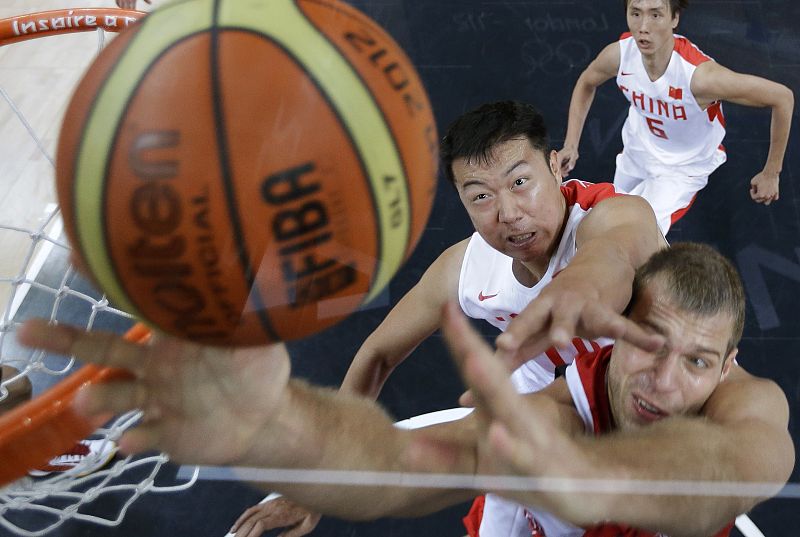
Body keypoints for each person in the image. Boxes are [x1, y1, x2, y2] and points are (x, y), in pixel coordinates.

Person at [17, 242, 794, 536]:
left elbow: (729, 473)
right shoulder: (556, 407)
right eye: (649, 345)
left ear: (728, 366)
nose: (663, 381)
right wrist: (270, 427)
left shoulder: (749, 407)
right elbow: (398, 459)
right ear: (615, 333)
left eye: (696, 362)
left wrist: (596, 477)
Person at [231, 99, 667, 536]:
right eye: (481, 196)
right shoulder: (467, 268)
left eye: (520, 182)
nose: (509, 213)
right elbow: (378, 355)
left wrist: (567, 299)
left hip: (656, 423)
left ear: (555, 167)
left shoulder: (616, 217)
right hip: (542, 421)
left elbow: (610, 261)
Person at [557, 0, 794, 234]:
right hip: (638, 149)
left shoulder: (701, 78)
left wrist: (772, 172)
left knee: (637, 232)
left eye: (656, 15)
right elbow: (587, 82)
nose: (643, 26)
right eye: (636, 13)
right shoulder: (619, 55)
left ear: (674, 18)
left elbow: (782, 98)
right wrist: (571, 144)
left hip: (683, 167)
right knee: (606, 218)